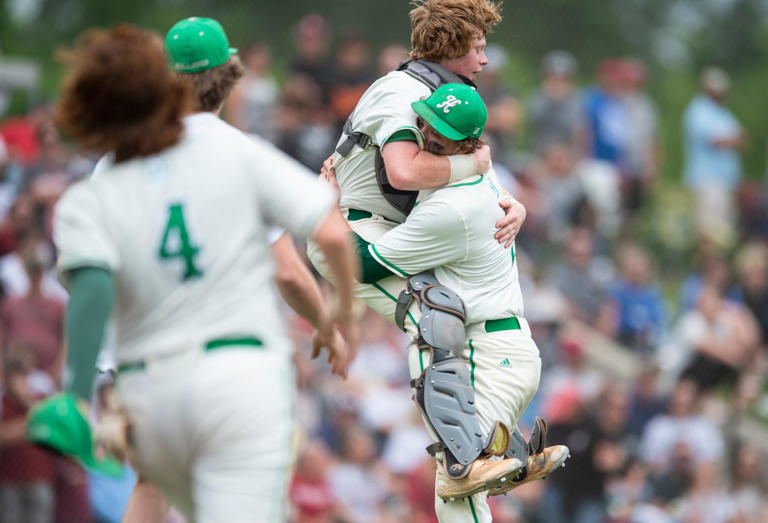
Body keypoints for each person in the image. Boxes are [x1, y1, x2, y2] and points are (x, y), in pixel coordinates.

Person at [26, 23, 358, 522]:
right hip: (235, 369)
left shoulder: (112, 166)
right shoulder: (240, 153)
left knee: (150, 486)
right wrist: (336, 320)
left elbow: (88, 284)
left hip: (145, 374)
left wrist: (75, 394)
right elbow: (301, 261)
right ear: (230, 76)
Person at [311, 0, 559, 509]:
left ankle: (479, 446)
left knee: (441, 310)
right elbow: (404, 171)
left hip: (380, 228)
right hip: (345, 230)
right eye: (479, 45)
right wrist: (476, 164)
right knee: (436, 311)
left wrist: (512, 201)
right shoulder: (400, 92)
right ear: (451, 47)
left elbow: (463, 165)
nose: (486, 59)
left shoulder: (441, 96)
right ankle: (469, 452)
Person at [351, 83, 569, 523]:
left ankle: (498, 454)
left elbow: (361, 266)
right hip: (501, 348)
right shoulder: (480, 172)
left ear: (467, 143)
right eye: (427, 121)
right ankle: (505, 453)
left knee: (457, 489)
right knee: (459, 486)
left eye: (442, 132)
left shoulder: (453, 207)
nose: (429, 134)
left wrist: (324, 211)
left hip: (488, 354)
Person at [683, 67, 746, 246]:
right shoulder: (698, 110)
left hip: (726, 181)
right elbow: (715, 141)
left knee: (723, 231)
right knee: (708, 230)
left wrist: (732, 141)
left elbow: (739, 139)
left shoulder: (723, 113)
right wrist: (732, 141)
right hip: (707, 179)